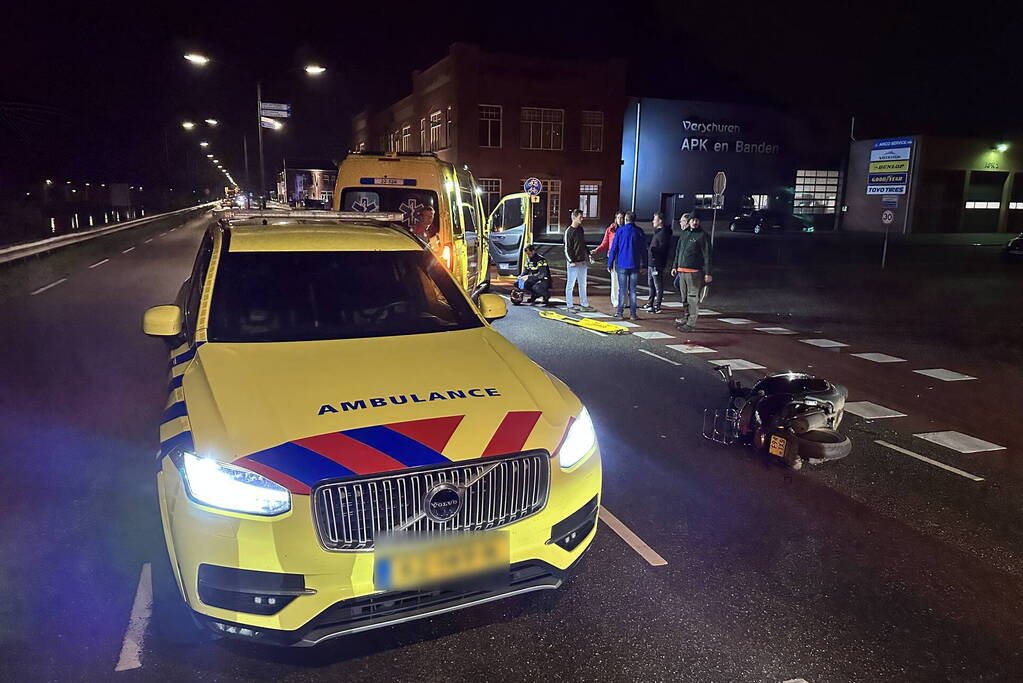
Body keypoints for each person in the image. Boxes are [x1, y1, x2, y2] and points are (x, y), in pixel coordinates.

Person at [671, 214, 713, 331]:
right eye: (693, 220)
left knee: (692, 298)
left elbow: (707, 255)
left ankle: (691, 323)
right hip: (682, 271)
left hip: (694, 272)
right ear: (689, 222)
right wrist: (675, 266)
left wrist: (707, 272)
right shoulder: (684, 234)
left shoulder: (702, 236)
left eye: (697, 220)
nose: (695, 222)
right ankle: (686, 316)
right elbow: (678, 251)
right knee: (684, 298)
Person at [607, 211, 647, 320]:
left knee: (622, 289)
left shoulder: (620, 231)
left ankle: (620, 312)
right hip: (634, 264)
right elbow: (644, 249)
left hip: (622, 264)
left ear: (625, 219)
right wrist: (645, 265)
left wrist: (610, 263)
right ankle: (633, 314)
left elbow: (614, 248)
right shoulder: (639, 232)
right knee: (633, 290)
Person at [591, 210, 624, 307]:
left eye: (622, 218)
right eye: (618, 218)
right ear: (615, 218)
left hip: (623, 257)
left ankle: (623, 300)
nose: (620, 220)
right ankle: (615, 301)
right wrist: (597, 250)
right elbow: (605, 243)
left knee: (623, 279)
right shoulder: (611, 230)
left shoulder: (626, 229)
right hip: (613, 256)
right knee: (614, 279)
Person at [563, 209, 593, 313]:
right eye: (580, 217)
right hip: (574, 262)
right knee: (570, 284)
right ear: (574, 217)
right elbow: (567, 248)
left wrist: (588, 255)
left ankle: (584, 304)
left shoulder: (580, 229)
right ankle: (569, 305)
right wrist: (571, 261)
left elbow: (583, 244)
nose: (582, 219)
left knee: (583, 283)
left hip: (581, 261)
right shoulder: (569, 231)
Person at [643, 211, 673, 313]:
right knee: (651, 283)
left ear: (660, 221)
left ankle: (657, 305)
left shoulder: (664, 233)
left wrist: (652, 250)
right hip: (652, 262)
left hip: (657, 263)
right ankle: (650, 303)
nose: (652, 221)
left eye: (654, 219)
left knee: (657, 285)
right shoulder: (658, 232)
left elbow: (663, 249)